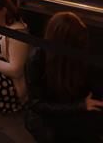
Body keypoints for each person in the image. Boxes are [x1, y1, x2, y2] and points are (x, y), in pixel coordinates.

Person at [25, 12, 103, 142]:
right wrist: (79, 106)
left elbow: (91, 81)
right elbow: (37, 104)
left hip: (70, 105)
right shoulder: (37, 59)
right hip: (45, 115)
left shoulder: (77, 55)